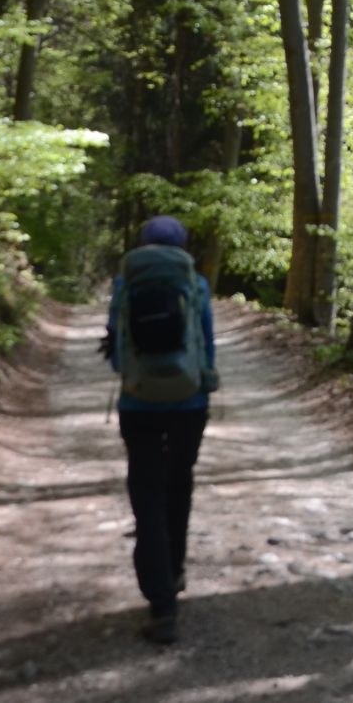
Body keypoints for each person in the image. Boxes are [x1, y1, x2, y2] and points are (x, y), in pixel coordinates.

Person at [104, 215, 218, 644]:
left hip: (139, 404)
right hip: (190, 403)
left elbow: (118, 355)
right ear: (183, 247)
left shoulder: (125, 285)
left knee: (147, 492)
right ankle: (176, 569)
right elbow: (206, 347)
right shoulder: (196, 284)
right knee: (179, 481)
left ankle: (161, 603)